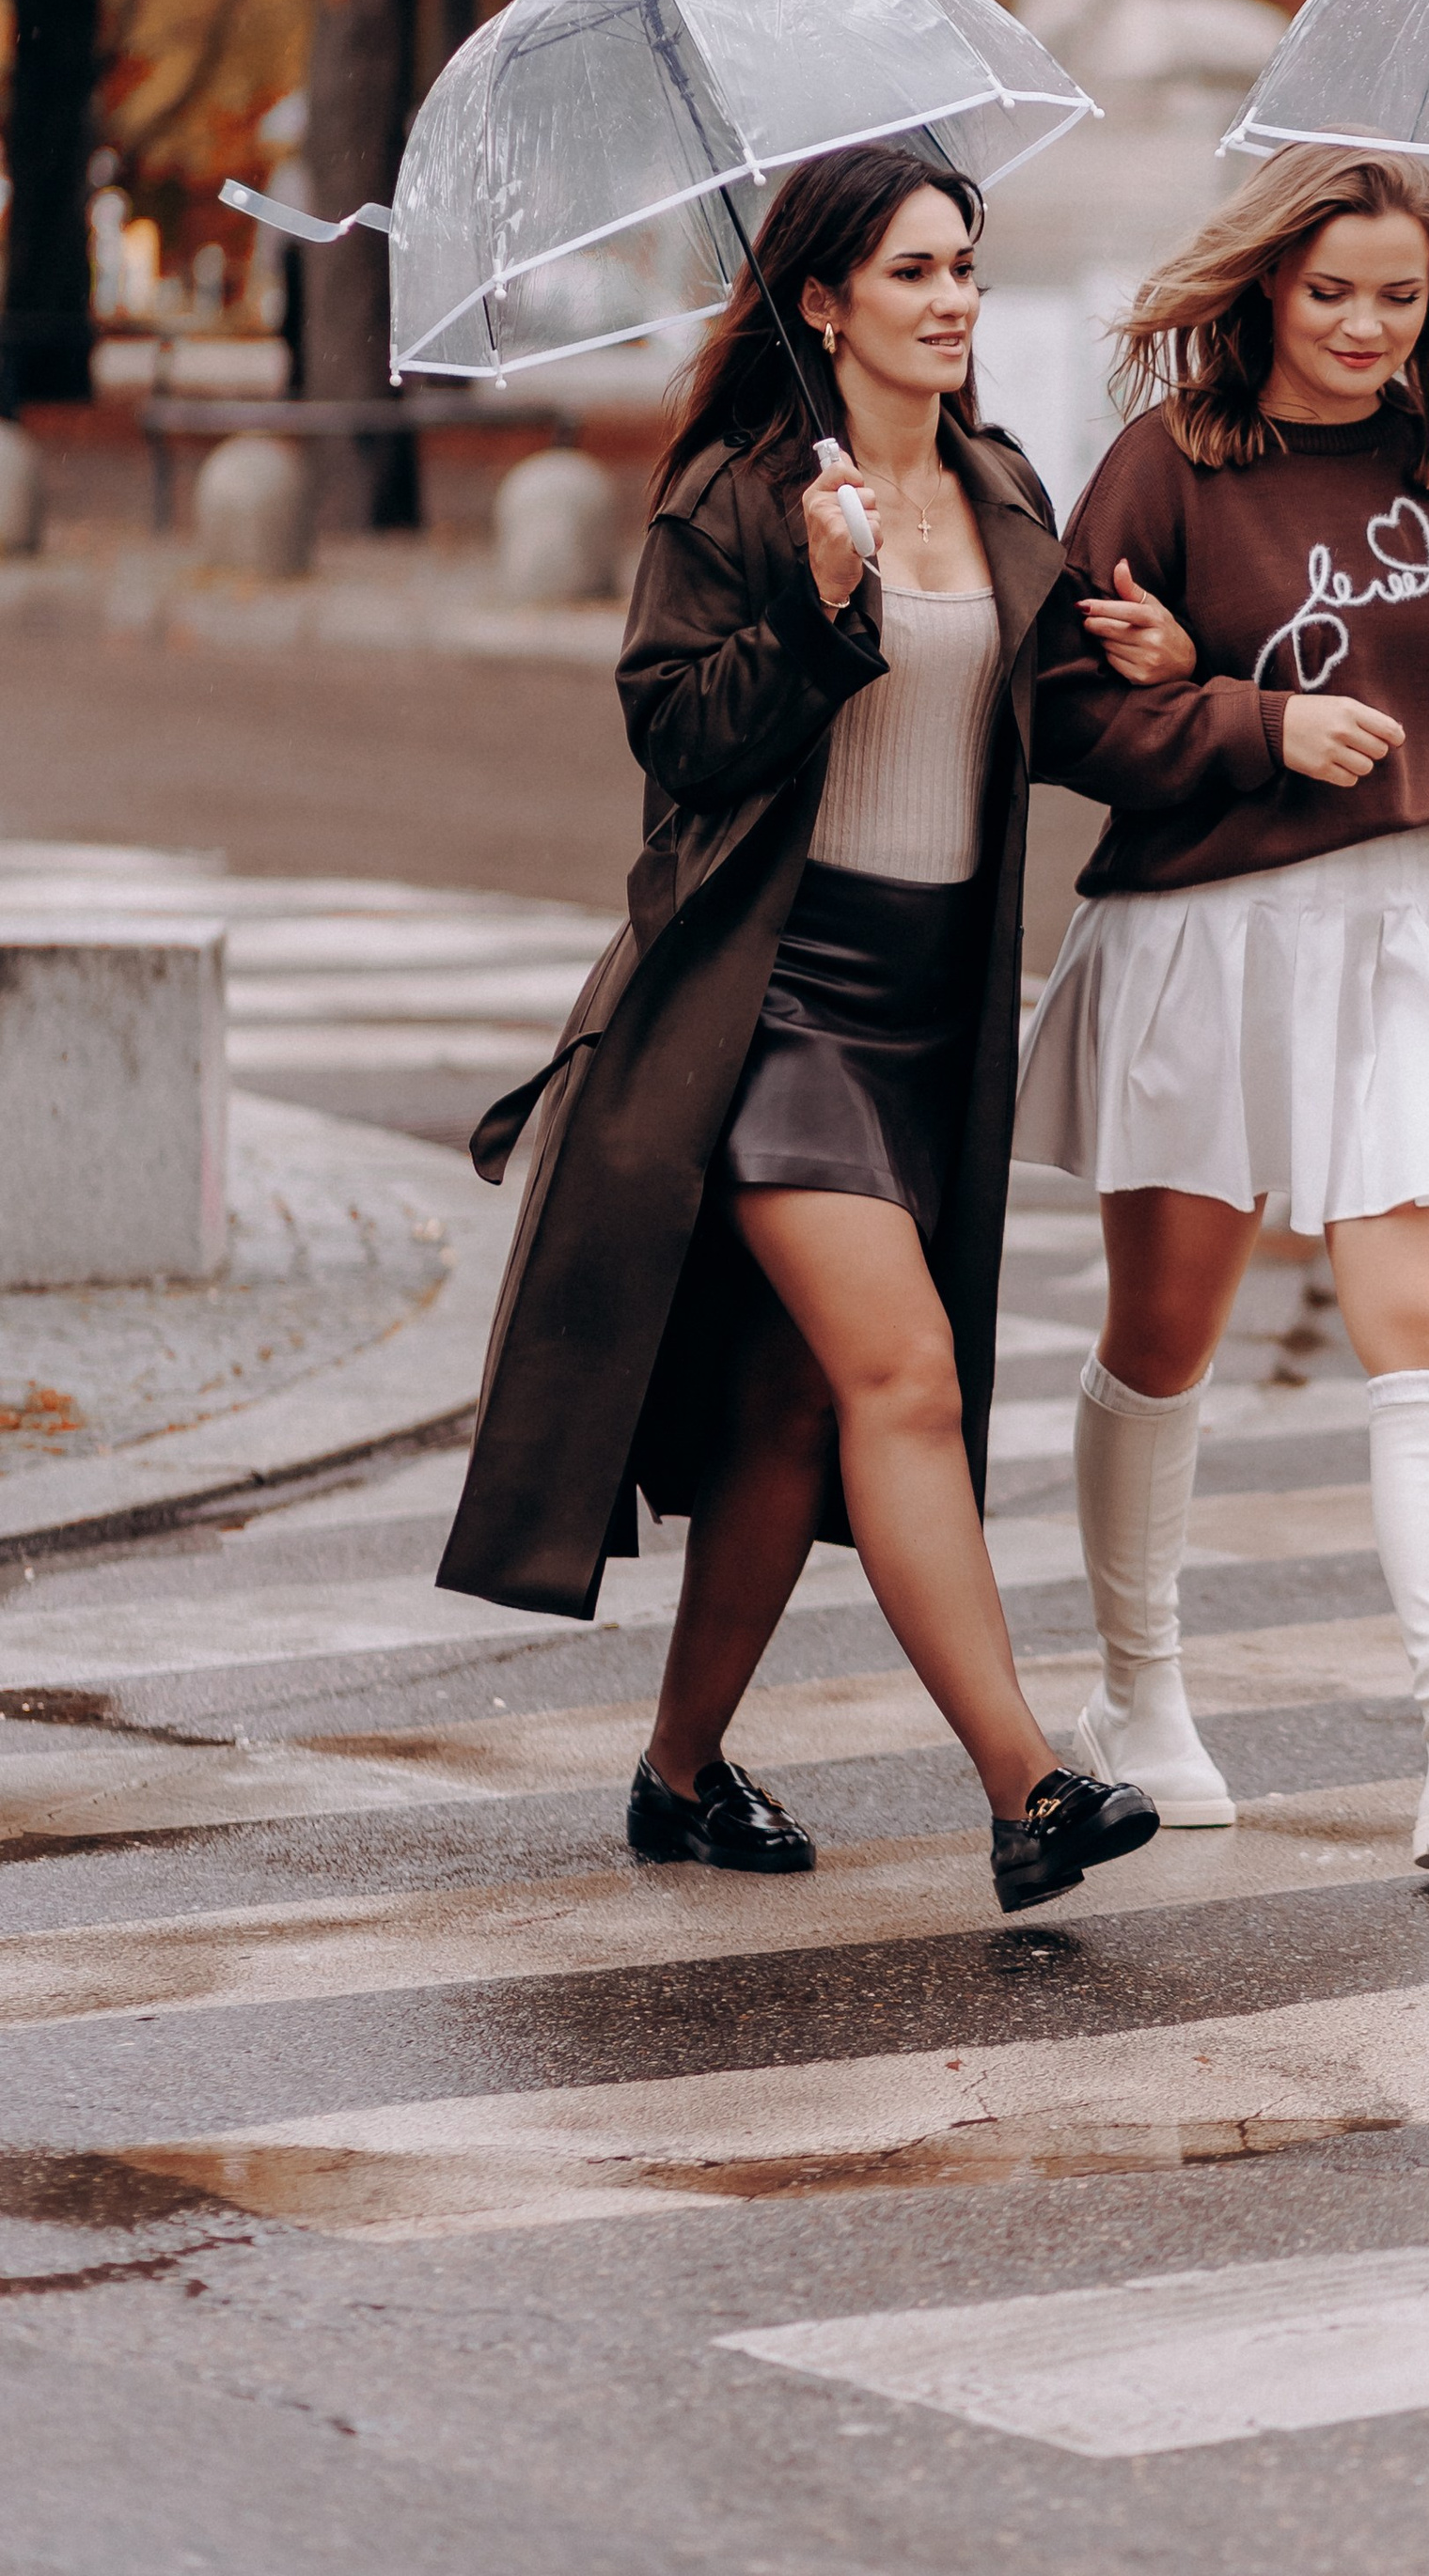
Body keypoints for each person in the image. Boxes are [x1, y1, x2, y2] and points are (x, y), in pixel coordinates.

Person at [436, 140, 1186, 1917]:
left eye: (967, 271)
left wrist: (1146, 667)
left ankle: (680, 1777)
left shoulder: (1004, 488)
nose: (954, 303)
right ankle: (1029, 1789)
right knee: (903, 1378)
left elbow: (1035, 722)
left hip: (934, 1011)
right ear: (824, 301)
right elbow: (680, 741)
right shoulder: (739, 496)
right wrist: (820, 608)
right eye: (915, 273)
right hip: (768, 1002)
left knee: (788, 1412)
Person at [1016, 144, 1429, 1873]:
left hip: (1403, 929)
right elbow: (1062, 710)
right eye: (1333, 288)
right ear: (1269, 285)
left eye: (1401, 297)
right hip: (1203, 934)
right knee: (1164, 1335)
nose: (1366, 326)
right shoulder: (1172, 464)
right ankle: (1139, 1700)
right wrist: (1246, 724)